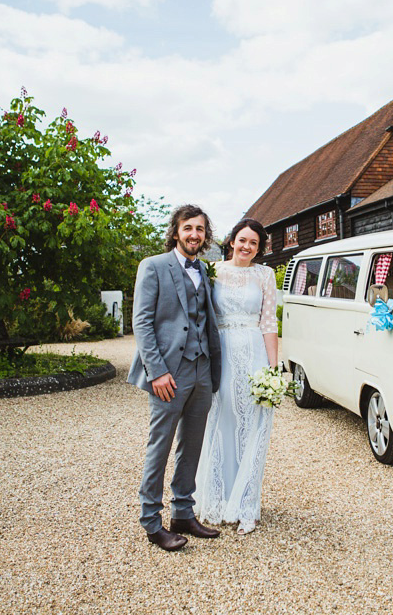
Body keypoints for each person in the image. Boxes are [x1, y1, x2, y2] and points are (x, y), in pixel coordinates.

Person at [127, 204, 223, 552]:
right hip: (169, 372)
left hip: (202, 370)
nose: (194, 235)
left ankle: (183, 512)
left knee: (192, 445)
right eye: (188, 228)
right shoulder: (152, 266)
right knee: (160, 446)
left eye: (200, 229)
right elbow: (142, 323)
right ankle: (152, 523)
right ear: (176, 232)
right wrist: (158, 372)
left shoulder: (204, 271)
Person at [194, 218, 279, 535]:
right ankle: (216, 498)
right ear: (232, 241)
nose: (247, 247)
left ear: (259, 248)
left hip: (254, 352)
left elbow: (269, 323)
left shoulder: (265, 275)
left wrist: (273, 370)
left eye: (254, 243)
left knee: (253, 427)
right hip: (221, 355)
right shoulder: (212, 271)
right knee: (222, 424)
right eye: (243, 240)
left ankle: (247, 506)